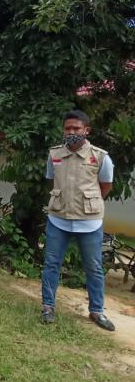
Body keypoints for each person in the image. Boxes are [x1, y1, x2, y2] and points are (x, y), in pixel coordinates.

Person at [41, 110, 115, 331]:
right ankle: (48, 307)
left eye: (76, 128)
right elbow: (51, 181)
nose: (71, 132)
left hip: (89, 221)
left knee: (93, 266)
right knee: (51, 264)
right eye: (67, 128)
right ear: (63, 130)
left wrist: (88, 203)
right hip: (58, 219)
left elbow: (106, 186)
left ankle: (97, 311)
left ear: (86, 130)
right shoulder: (54, 154)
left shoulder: (100, 156)